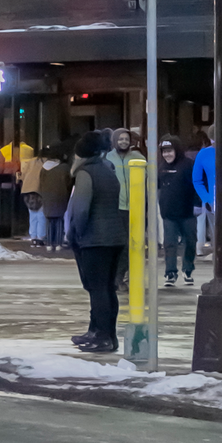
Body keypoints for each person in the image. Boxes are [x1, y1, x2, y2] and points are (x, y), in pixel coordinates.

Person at [67, 131, 127, 353]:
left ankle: (101, 336)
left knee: (97, 288)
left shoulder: (86, 173)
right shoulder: (108, 169)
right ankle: (105, 333)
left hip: (95, 239)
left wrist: (76, 233)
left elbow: (81, 209)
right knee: (107, 288)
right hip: (115, 237)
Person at [157, 138, 199, 287]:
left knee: (190, 241)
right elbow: (155, 185)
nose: (167, 155)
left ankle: (188, 269)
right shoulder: (160, 166)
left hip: (187, 211)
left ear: (177, 150)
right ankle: (170, 272)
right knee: (170, 243)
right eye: (164, 152)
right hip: (168, 212)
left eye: (170, 151)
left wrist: (197, 204)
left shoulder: (188, 165)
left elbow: (197, 184)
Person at [37, 145, 72, 252]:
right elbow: (69, 182)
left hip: (47, 196)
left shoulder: (44, 168)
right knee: (59, 220)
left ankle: (49, 243)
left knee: (49, 220)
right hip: (61, 195)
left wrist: (42, 194)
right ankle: (58, 243)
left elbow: (40, 183)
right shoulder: (65, 168)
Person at [20, 147, 46, 245]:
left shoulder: (30, 162)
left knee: (32, 214)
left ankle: (33, 236)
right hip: (39, 190)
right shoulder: (46, 163)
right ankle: (40, 237)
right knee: (41, 214)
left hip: (26, 190)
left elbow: (23, 175)